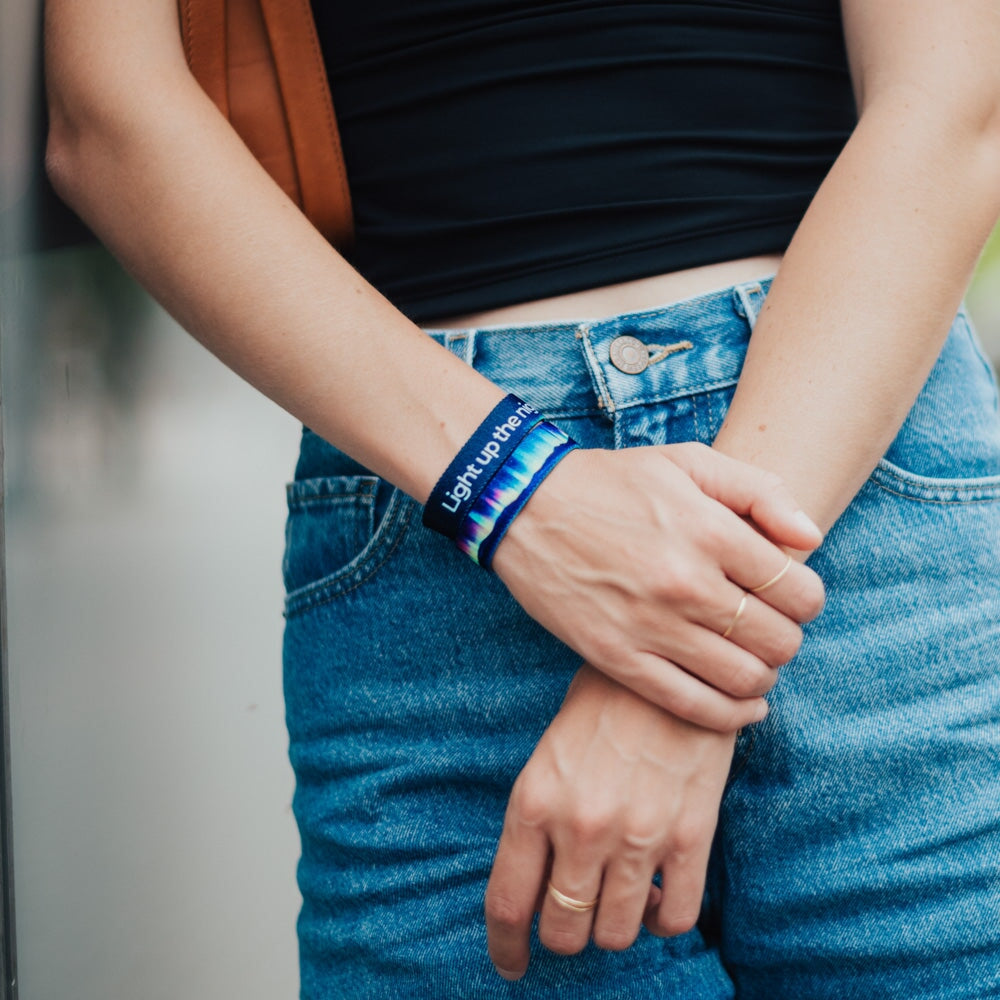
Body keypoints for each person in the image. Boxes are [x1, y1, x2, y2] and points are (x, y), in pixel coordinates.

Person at [44, 1, 1000, 997]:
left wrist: (670, 650)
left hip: (855, 485)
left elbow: (947, 104)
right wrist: (526, 499)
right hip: (444, 535)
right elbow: (110, 118)